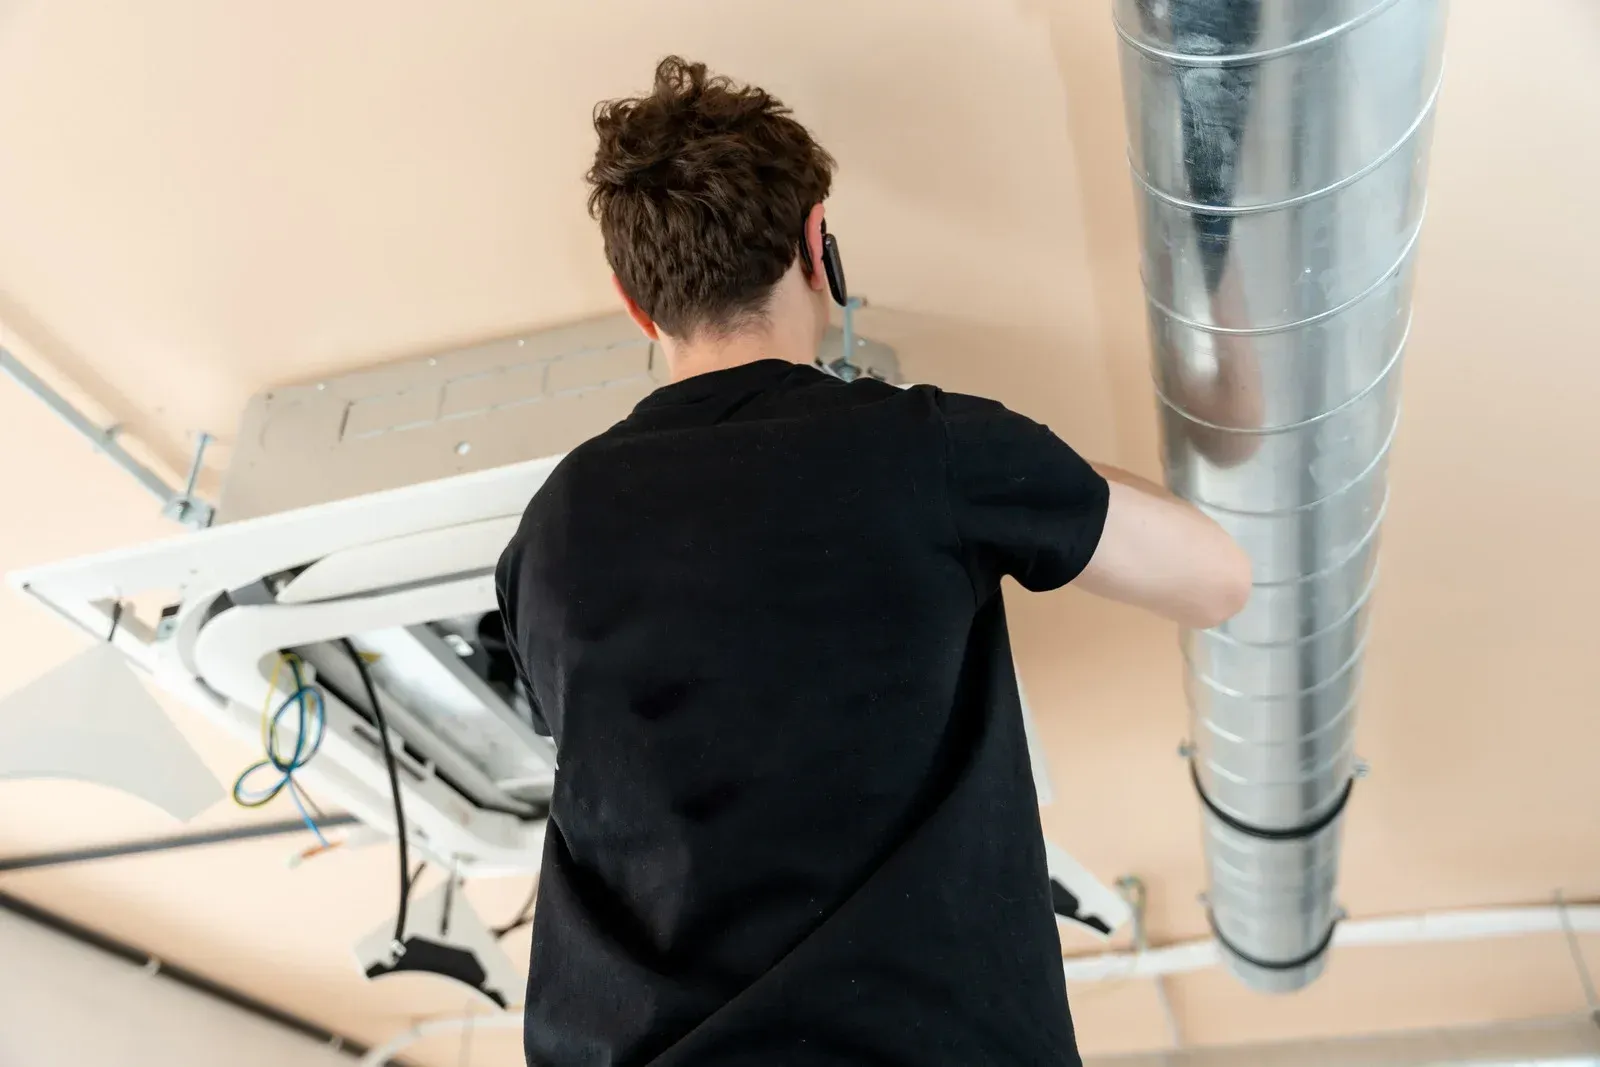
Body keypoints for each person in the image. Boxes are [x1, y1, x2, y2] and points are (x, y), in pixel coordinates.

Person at [496, 55, 1251, 1067]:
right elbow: (1215, 579)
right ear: (819, 247)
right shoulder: (923, 448)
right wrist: (1028, 479)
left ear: (637, 303)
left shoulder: (551, 526)